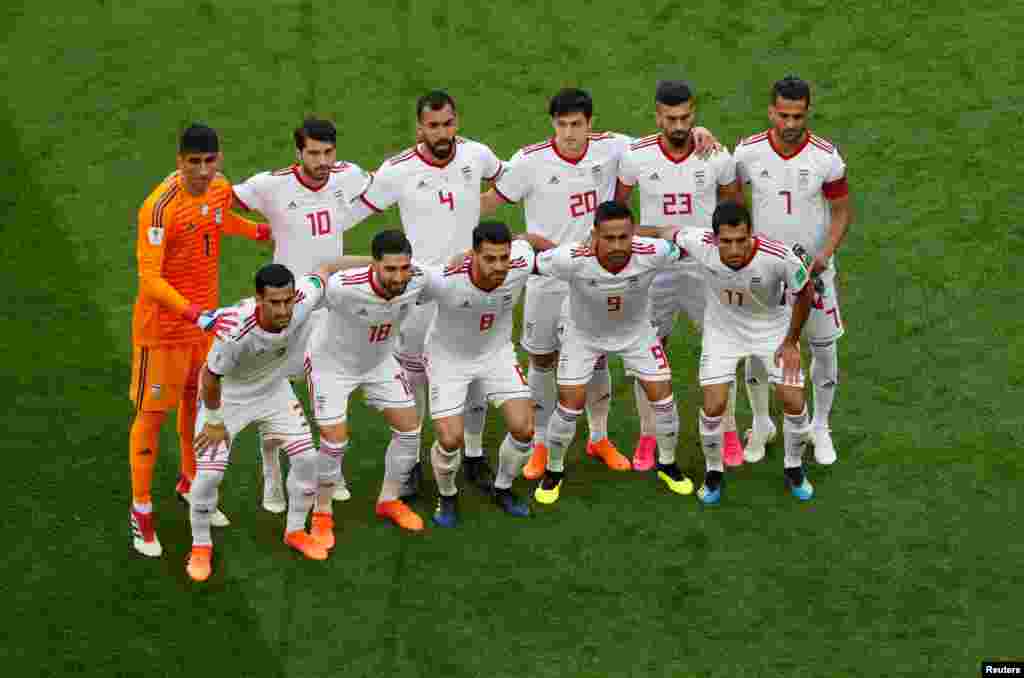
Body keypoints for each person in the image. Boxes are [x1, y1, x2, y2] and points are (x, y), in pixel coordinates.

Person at [348, 90, 503, 495]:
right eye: (433, 125)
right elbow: (355, 210)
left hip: (470, 284)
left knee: (472, 371)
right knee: (413, 374)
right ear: (420, 128)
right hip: (417, 288)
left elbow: (517, 180)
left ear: (457, 121)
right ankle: (413, 458)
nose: (441, 132)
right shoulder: (396, 170)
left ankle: (472, 454)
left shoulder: (477, 156)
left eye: (447, 123)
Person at [129, 123, 270, 557]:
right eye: (195, 163)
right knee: (152, 417)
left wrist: (265, 233)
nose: (204, 171)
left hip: (203, 327)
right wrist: (195, 313)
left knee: (196, 405)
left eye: (210, 162)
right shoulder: (159, 208)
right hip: (164, 332)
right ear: (179, 161)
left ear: (219, 158)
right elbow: (149, 279)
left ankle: (191, 484)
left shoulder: (219, 188)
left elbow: (220, 221)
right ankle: (141, 511)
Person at [232, 118, 371, 512]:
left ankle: (332, 472)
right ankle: (272, 474)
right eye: (314, 152)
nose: (323, 160)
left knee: (329, 390)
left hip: (331, 306)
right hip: (284, 309)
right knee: (276, 393)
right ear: (299, 153)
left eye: (329, 152)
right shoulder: (270, 186)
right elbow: (222, 199)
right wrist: (254, 232)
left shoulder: (349, 176)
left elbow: (380, 187)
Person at [642, 202, 816, 503]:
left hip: (771, 331)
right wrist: (622, 234)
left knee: (794, 399)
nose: (734, 248)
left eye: (741, 240)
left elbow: (804, 293)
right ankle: (713, 471)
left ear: (751, 234)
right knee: (714, 406)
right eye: (726, 241)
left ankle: (794, 467)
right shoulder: (698, 243)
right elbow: (662, 231)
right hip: (723, 333)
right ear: (714, 238)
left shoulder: (779, 257)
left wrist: (791, 342)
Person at [523, 201, 694, 504]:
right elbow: (527, 262)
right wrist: (518, 242)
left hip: (636, 333)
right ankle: (555, 470)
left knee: (664, 398)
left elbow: (691, 246)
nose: (617, 245)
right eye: (609, 238)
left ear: (634, 235)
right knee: (570, 404)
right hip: (582, 334)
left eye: (624, 237)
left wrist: (676, 231)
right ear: (594, 236)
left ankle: (667, 464)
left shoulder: (653, 252)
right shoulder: (570, 259)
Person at [616, 79, 746, 470]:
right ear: (657, 116)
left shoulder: (716, 157)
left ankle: (727, 431)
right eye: (670, 118)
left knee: (721, 347)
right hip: (656, 268)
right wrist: (657, 235)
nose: (678, 125)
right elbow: (617, 216)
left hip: (705, 267)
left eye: (686, 117)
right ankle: (648, 434)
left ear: (695, 113)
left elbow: (735, 210)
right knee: (649, 351)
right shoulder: (636, 157)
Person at [188, 263, 342, 581]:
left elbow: (325, 271)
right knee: (207, 478)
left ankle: (296, 531)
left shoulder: (303, 299)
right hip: (228, 399)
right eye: (275, 302)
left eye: (287, 301)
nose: (284, 309)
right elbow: (210, 376)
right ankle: (200, 546)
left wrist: (370, 264)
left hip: (273, 391)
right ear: (259, 299)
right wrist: (215, 420)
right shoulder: (234, 331)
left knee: (307, 458)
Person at [733, 75, 853, 465]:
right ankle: (762, 422)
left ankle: (820, 426)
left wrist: (826, 252)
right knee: (755, 347)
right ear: (771, 111)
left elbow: (841, 211)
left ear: (807, 112)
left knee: (823, 346)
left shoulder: (826, 156)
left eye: (797, 115)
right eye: (783, 115)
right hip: (762, 273)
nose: (789, 124)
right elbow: (732, 206)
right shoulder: (747, 153)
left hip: (814, 271)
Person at [304, 230, 430, 547]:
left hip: (378, 362)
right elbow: (315, 284)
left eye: (404, 267)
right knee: (334, 442)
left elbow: (455, 272)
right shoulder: (343, 289)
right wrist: (322, 270)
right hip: (331, 365)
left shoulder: (418, 279)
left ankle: (388, 500)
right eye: (390, 269)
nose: (399, 276)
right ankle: (321, 512)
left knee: (410, 431)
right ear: (374, 266)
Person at [419, 222, 536, 527]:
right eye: (489, 258)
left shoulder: (520, 265)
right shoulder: (443, 280)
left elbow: (531, 243)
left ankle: (503, 488)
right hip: (448, 359)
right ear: (473, 255)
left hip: (495, 354)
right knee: (449, 438)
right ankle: (447, 496)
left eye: (503, 257)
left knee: (524, 430)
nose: (499, 266)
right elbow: (398, 275)